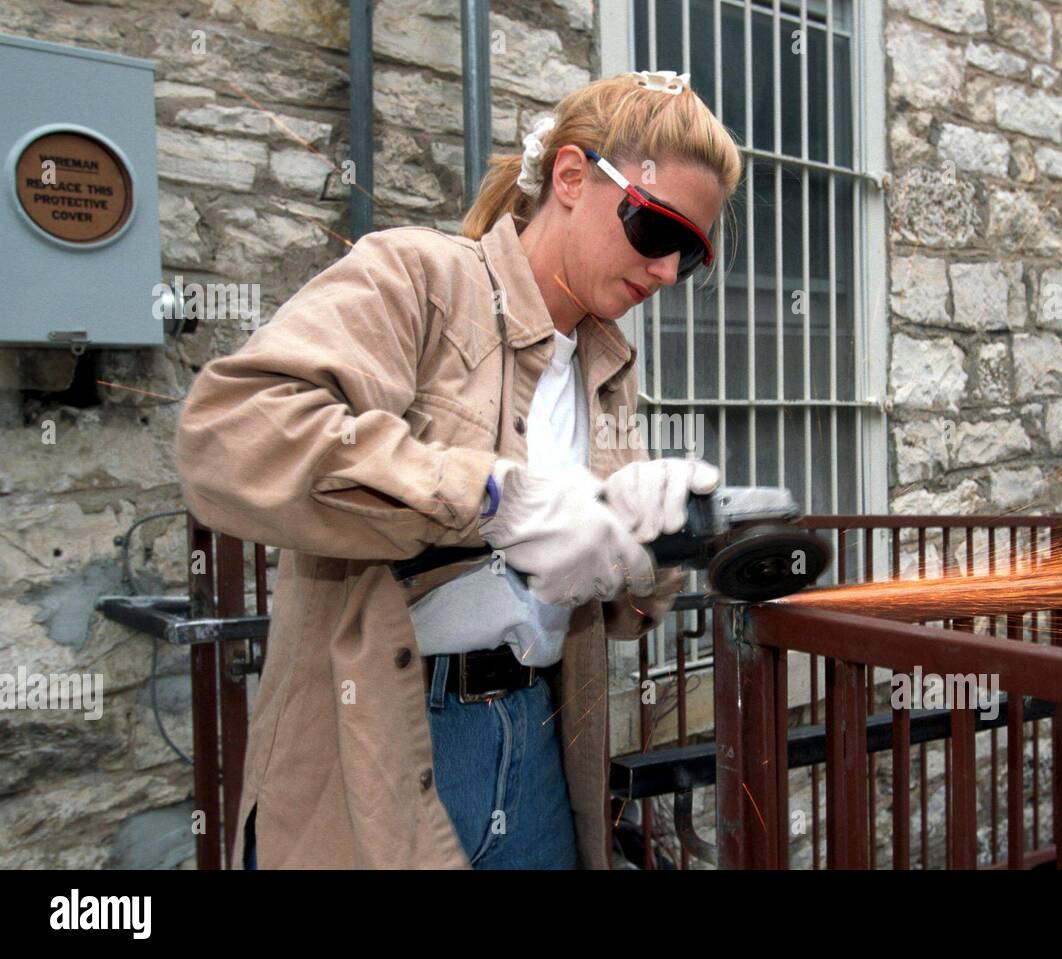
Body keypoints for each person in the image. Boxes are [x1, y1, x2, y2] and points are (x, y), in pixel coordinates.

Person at [175, 69, 743, 869]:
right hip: (384, 734)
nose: (663, 271)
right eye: (655, 230)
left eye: (691, 254)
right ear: (573, 177)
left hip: (538, 736)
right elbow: (228, 432)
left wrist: (650, 542)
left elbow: (611, 605)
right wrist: (489, 495)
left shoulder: (607, 364)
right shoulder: (419, 279)